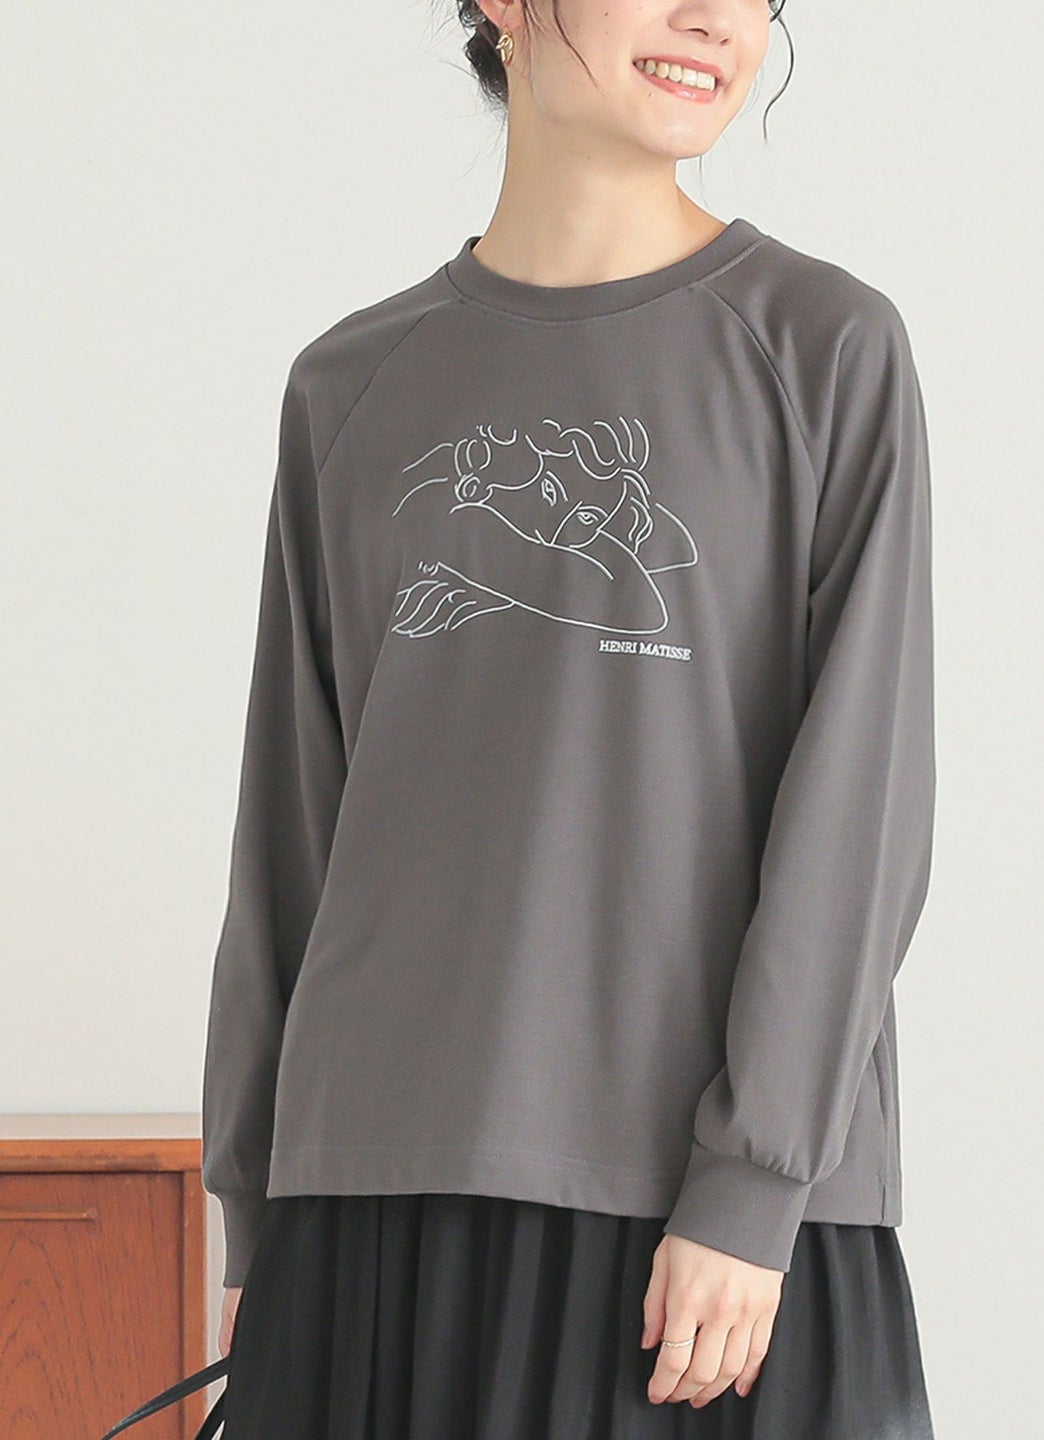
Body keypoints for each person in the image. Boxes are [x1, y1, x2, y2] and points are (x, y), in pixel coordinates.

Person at [201, 0, 939, 1435]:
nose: (715, 20)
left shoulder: (823, 349)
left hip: (704, 1233)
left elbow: (864, 805)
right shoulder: (349, 385)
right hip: (377, 1208)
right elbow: (290, 829)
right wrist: (258, 1206)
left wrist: (753, 1183)